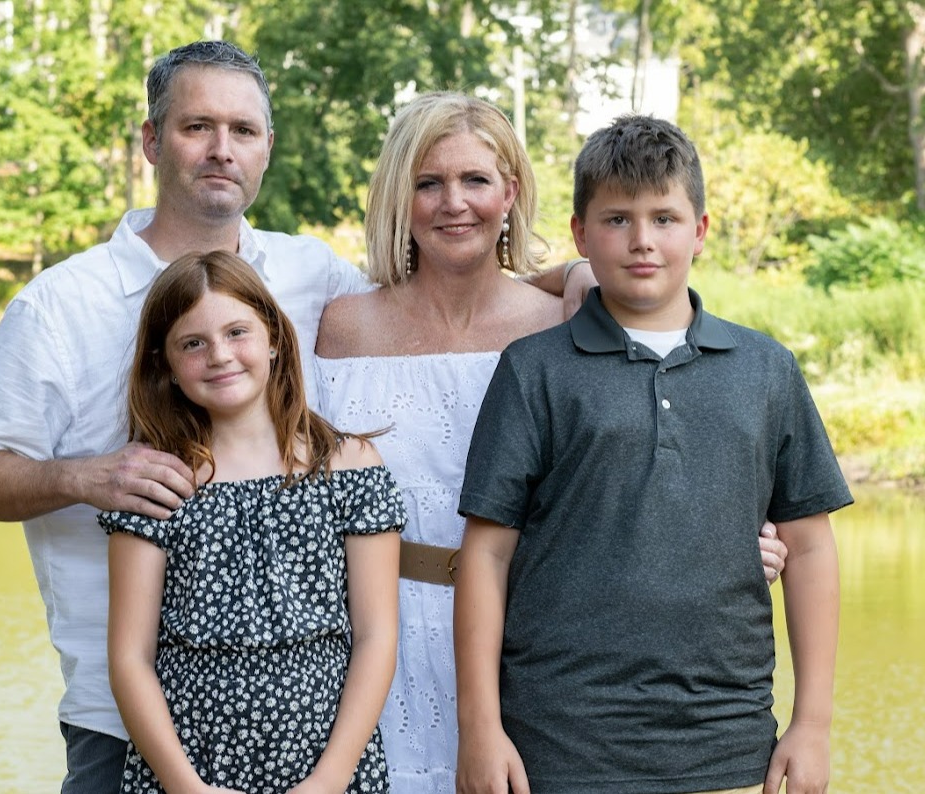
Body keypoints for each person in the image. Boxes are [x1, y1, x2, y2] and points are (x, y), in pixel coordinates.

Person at [316, 94, 791, 793]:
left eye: (476, 180)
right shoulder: (339, 327)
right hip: (369, 632)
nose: (454, 202)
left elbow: (653, 455)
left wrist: (719, 547)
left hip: (534, 648)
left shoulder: (558, 326)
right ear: (397, 195)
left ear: (510, 193)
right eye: (427, 182)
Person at [0, 41, 375, 792]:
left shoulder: (312, 273)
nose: (222, 149)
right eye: (196, 126)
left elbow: (426, 308)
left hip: (304, 727)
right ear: (151, 140)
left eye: (243, 130)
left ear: (267, 148)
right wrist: (84, 477)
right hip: (122, 726)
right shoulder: (59, 305)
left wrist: (569, 278)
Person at [452, 114, 853, 794]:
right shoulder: (534, 370)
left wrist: (812, 724)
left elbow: (810, 548)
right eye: (617, 219)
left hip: (727, 745)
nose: (642, 240)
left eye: (664, 218)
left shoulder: (765, 369)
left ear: (699, 230)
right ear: (581, 234)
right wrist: (480, 727)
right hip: (559, 745)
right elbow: (486, 556)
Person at [100, 250, 402, 793]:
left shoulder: (348, 466)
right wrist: (187, 787)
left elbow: (376, 636)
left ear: (274, 339)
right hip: (192, 771)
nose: (220, 355)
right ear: (166, 365)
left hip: (326, 770)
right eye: (193, 343)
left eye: (237, 332)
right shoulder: (157, 481)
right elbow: (129, 658)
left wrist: (329, 780)